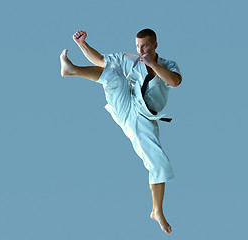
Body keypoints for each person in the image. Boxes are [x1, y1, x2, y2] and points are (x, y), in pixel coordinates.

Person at [60, 29, 182, 235]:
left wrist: (152, 64)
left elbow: (174, 81)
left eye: (144, 46)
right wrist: (82, 44)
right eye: (137, 45)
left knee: (159, 163)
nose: (140, 50)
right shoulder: (130, 60)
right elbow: (99, 59)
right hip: (127, 106)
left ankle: (156, 211)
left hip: (144, 119)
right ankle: (71, 69)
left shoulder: (168, 65)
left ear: (155, 45)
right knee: (113, 75)